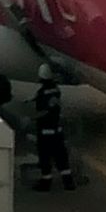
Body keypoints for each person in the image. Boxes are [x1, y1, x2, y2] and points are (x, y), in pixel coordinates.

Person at [32, 62, 75, 191]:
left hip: (45, 131)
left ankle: (46, 182)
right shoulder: (56, 89)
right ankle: (68, 182)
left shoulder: (42, 92)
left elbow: (43, 110)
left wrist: (32, 118)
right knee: (61, 156)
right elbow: (52, 104)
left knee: (45, 157)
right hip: (57, 130)